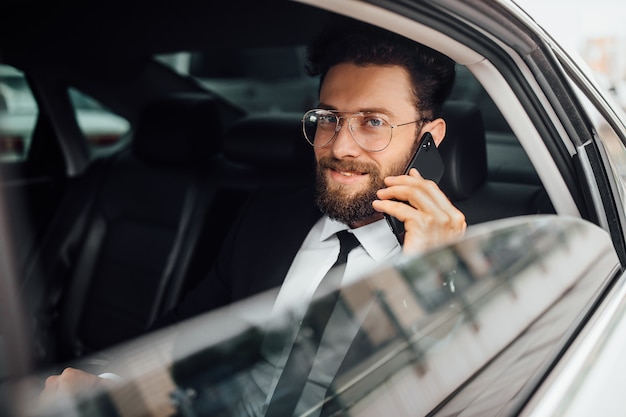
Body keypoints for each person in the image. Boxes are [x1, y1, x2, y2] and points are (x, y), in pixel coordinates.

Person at [41, 19, 466, 409]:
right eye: (328, 118)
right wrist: (110, 389)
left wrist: (430, 274)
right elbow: (185, 334)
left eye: (373, 122)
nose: (339, 147)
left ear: (428, 138)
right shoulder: (268, 218)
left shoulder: (468, 258)